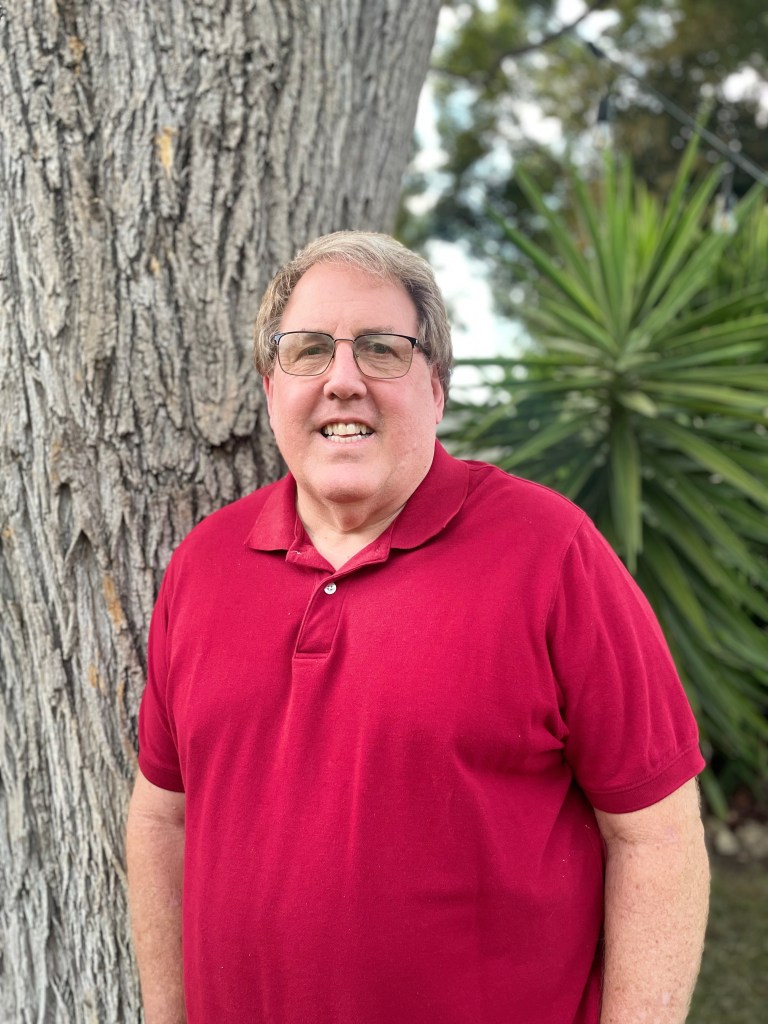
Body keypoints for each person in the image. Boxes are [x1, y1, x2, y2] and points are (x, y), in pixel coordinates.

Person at [126, 231, 709, 1024]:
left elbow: (657, 840)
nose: (342, 381)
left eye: (381, 350)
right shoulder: (203, 565)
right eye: (306, 351)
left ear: (436, 384)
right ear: (270, 387)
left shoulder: (551, 554)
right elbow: (164, 814)